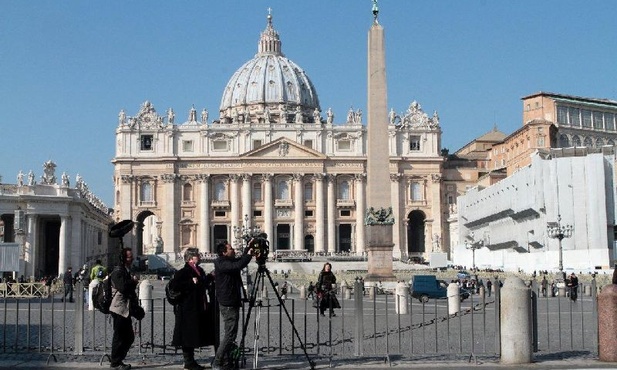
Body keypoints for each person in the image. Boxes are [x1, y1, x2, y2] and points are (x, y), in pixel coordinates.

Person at [171, 248, 216, 370]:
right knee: (188, 335)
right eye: (197, 255)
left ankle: (191, 360)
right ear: (191, 258)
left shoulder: (199, 270)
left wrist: (210, 277)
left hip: (197, 307)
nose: (200, 257)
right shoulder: (184, 272)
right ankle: (188, 361)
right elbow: (176, 286)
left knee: (193, 334)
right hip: (187, 308)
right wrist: (191, 282)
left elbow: (202, 283)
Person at [213, 241, 254, 370]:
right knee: (230, 334)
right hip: (228, 302)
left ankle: (227, 359)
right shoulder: (222, 263)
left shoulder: (226, 261)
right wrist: (248, 256)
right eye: (231, 249)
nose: (234, 250)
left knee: (232, 333)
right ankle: (218, 360)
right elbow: (238, 265)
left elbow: (239, 261)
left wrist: (248, 248)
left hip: (231, 301)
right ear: (224, 252)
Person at [109, 247, 140, 370]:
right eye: (129, 256)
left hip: (125, 308)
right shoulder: (118, 271)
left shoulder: (125, 270)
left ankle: (118, 359)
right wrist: (133, 282)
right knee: (120, 336)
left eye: (131, 256)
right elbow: (122, 287)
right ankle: (115, 362)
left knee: (129, 337)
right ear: (123, 258)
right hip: (118, 308)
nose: (131, 258)